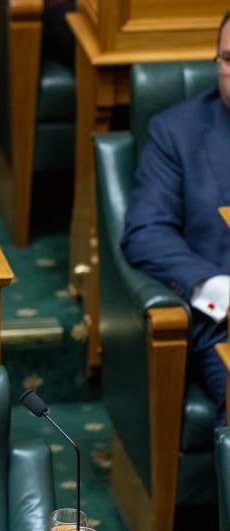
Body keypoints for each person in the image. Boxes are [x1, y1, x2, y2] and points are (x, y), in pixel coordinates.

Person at [120, 10, 230, 423]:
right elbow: (146, 231)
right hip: (225, 326)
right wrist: (220, 289)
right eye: (229, 60)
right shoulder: (177, 132)